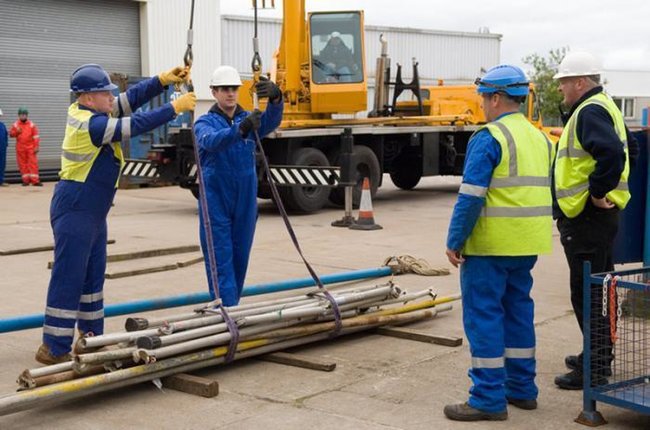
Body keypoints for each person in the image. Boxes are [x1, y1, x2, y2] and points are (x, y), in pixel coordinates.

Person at [36, 63, 196, 365]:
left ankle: (93, 340)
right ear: (87, 97)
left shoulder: (98, 111)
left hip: (93, 212)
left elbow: (131, 99)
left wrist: (162, 81)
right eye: (105, 93)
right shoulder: (91, 124)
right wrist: (173, 108)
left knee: (93, 278)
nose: (113, 97)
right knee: (69, 277)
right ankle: (53, 347)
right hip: (75, 207)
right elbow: (133, 125)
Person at [443, 65, 554, 421]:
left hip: (490, 247)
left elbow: (471, 197)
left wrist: (455, 239)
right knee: (519, 313)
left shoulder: (490, 137)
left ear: (495, 98)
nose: (481, 105)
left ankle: (487, 398)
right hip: (527, 245)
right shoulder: (539, 138)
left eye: (483, 98)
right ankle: (522, 389)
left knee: (484, 317)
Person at [552, 51, 638, 390]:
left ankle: (596, 366)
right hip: (597, 219)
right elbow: (630, 147)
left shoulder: (588, 111)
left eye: (563, 84)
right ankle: (597, 355)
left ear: (579, 82)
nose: (561, 90)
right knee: (600, 289)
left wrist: (599, 192)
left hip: (586, 218)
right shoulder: (605, 106)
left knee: (587, 293)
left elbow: (614, 154)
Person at [194, 66, 283, 307]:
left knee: (240, 257)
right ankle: (227, 313)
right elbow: (211, 142)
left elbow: (272, 121)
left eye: (233, 88)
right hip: (216, 202)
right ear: (213, 92)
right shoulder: (204, 122)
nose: (230, 94)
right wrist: (240, 129)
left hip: (244, 201)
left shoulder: (249, 119)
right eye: (224, 89)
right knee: (221, 260)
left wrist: (275, 98)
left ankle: (231, 307)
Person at [9, 106, 41, 186]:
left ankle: (35, 181)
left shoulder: (31, 125)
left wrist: (36, 146)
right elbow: (11, 134)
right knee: (22, 164)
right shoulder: (16, 125)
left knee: (33, 164)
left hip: (31, 147)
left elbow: (36, 136)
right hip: (20, 148)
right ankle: (25, 181)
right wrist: (17, 131)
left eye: (24, 114)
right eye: (21, 115)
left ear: (27, 115)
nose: (23, 116)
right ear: (19, 115)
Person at [0, 109, 8, 186]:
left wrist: (5, 145)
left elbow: (6, 136)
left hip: (2, 148)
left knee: (2, 165)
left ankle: (1, 181)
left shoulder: (2, 125)